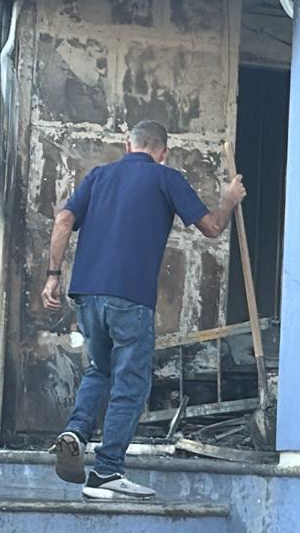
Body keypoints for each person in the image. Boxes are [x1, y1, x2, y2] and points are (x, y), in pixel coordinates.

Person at [42, 120, 246, 500]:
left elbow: (64, 220)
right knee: (131, 382)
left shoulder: (99, 176)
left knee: (99, 369)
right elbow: (213, 229)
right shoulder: (166, 178)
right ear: (163, 151)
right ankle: (106, 472)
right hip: (130, 296)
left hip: (86, 293)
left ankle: (76, 431)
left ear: (127, 144)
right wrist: (228, 200)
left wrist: (53, 276)